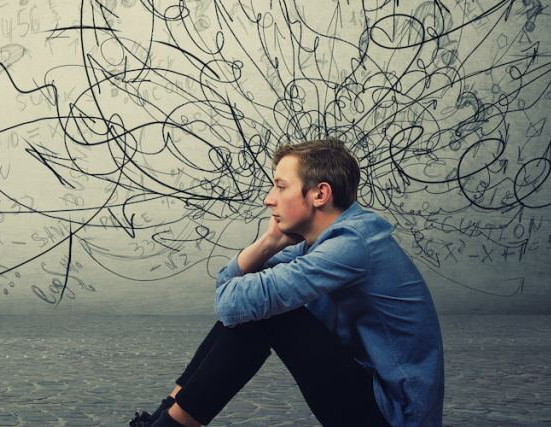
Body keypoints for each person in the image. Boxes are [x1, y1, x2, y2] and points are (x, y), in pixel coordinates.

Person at [131, 139, 444, 427]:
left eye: (280, 187)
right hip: (369, 394)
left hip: (395, 416)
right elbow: (233, 287)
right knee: (255, 306)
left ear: (320, 194)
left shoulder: (352, 245)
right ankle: (161, 419)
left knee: (265, 313)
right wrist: (270, 241)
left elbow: (230, 301)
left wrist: (267, 248)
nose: (269, 199)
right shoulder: (323, 242)